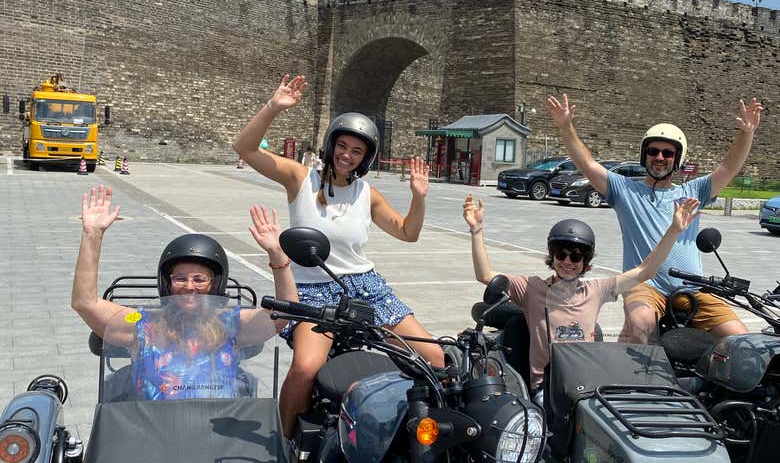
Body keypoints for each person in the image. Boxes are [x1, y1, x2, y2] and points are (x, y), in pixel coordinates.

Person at [233, 74, 444, 438]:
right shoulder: (301, 179)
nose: (347, 155)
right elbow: (245, 149)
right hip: (313, 290)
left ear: (365, 158)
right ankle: (284, 443)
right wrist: (274, 106)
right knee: (305, 367)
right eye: (342, 146)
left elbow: (408, 233)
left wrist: (419, 196)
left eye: (356, 151)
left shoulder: (368, 194)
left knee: (435, 357)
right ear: (331, 146)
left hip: (366, 288)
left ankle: (412, 434)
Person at [546, 94, 763, 343]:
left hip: (693, 289)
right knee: (641, 325)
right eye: (653, 151)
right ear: (644, 154)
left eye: (667, 153)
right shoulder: (624, 190)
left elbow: (728, 167)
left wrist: (746, 133)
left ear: (677, 159)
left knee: (742, 341)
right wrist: (566, 127)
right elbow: (587, 163)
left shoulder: (693, 191)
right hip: (644, 286)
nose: (659, 157)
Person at [463, 193, 701, 402]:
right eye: (561, 254)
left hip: (587, 381)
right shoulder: (531, 288)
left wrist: (674, 230)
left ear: (585, 262)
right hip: (549, 386)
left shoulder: (595, 290)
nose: (567, 262)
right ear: (552, 256)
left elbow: (644, 271)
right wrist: (476, 230)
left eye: (576, 257)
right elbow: (485, 275)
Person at [71, 185, 297, 400]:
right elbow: (85, 303)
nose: (189, 286)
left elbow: (286, 312)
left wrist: (277, 254)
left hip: (219, 435)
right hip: (154, 433)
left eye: (199, 279)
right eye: (180, 278)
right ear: (167, 283)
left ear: (215, 284)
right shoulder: (144, 325)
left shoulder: (228, 325)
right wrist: (92, 235)